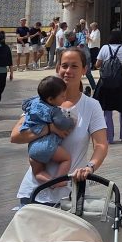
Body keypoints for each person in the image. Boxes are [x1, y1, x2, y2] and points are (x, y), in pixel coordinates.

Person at [12, 48, 108, 207]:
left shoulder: (91, 106)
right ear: (57, 69)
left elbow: (101, 144)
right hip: (35, 194)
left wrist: (90, 167)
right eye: (64, 65)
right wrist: (49, 129)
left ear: (84, 70)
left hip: (71, 194)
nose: (68, 71)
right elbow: (15, 136)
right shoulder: (42, 101)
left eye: (74, 66)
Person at [19, 76, 75, 183]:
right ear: (50, 99)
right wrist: (71, 122)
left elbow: (24, 103)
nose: (65, 97)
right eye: (62, 96)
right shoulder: (53, 110)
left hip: (32, 150)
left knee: (38, 172)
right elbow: (62, 124)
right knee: (66, 159)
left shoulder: (34, 102)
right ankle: (58, 180)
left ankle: (49, 182)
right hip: (47, 146)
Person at [93, 30, 122, 143]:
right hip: (120, 82)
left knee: (107, 109)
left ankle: (108, 137)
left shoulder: (105, 48)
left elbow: (97, 64)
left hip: (106, 82)